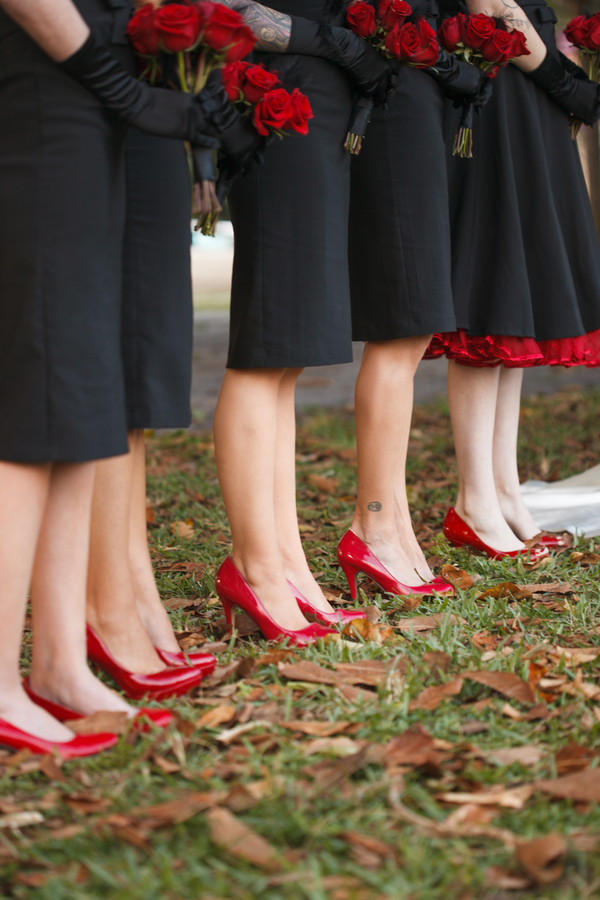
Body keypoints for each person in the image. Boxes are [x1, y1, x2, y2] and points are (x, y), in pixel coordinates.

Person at [0, 0, 259, 752]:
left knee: (84, 393)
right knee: (39, 395)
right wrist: (121, 86)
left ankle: (59, 664)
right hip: (46, 92)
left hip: (90, 107)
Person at [212, 1, 398, 640]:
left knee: (286, 354)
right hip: (276, 93)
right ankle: (255, 566)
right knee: (266, 343)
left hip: (322, 100)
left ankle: (286, 560)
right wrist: (340, 45)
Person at [427, 0, 600, 558]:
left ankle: (504, 492)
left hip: (526, 107)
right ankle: (475, 499)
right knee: (493, 294)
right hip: (498, 100)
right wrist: (567, 81)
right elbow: (497, 14)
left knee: (516, 303)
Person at [335, 0, 494, 599]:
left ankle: (392, 525)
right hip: (393, 103)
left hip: (417, 103)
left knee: (415, 323)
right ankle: (374, 524)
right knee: (403, 322)